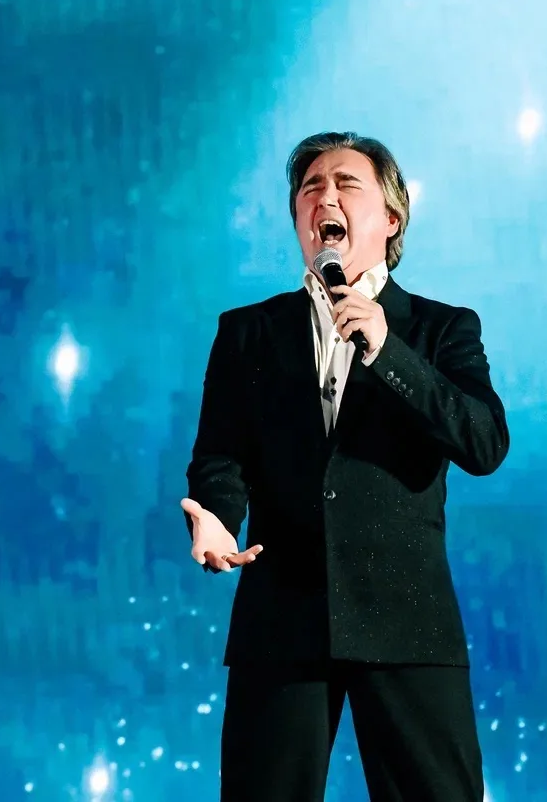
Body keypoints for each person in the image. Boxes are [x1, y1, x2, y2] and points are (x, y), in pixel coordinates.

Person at [182, 131, 509, 802]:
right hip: (282, 617)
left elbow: (484, 444)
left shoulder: (442, 329)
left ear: (390, 219)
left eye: (345, 184)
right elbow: (222, 453)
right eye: (310, 188)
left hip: (407, 618)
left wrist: (390, 352)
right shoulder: (248, 332)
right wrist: (215, 517)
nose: (324, 197)